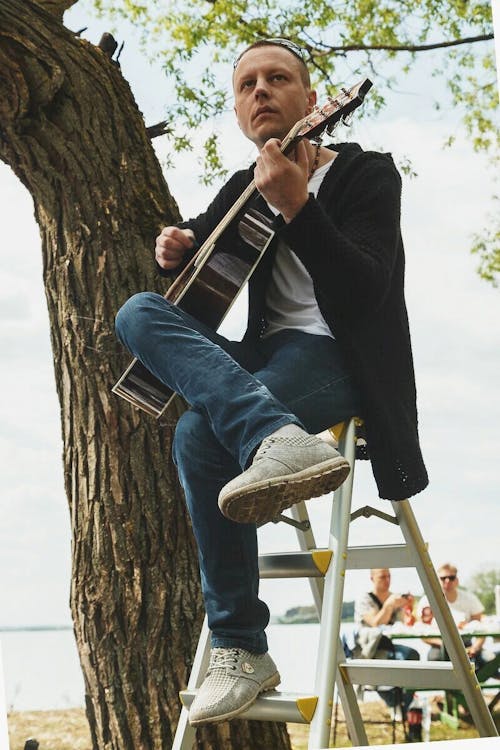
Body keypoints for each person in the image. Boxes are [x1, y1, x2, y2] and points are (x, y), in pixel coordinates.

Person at [115, 38, 428, 725]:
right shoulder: (241, 183)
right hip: (264, 356)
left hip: (336, 356)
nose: (261, 90)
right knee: (138, 311)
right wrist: (174, 248)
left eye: (278, 78)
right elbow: (199, 248)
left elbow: (366, 292)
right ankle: (275, 435)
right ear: (235, 109)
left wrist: (299, 209)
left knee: (200, 431)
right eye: (247, 83)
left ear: (311, 101)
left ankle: (237, 643)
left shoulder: (366, 174)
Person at [353, 568, 420, 711]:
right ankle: (396, 704)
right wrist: (389, 605)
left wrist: (409, 606)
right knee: (403, 657)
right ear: (372, 578)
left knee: (412, 656)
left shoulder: (394, 598)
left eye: (389, 576)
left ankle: (402, 706)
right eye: (382, 577)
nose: (387, 581)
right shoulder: (365, 599)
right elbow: (376, 622)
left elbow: (406, 623)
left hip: (389, 646)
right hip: (368, 650)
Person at [418, 563, 494, 671]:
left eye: (451, 577)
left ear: (457, 580)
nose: (447, 581)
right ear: (437, 580)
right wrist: (446, 645)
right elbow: (421, 633)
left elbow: (481, 628)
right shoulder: (427, 600)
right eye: (443, 578)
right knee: (434, 661)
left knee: (490, 661)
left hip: (467, 645)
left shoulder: (469, 598)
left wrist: (475, 648)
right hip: (439, 645)